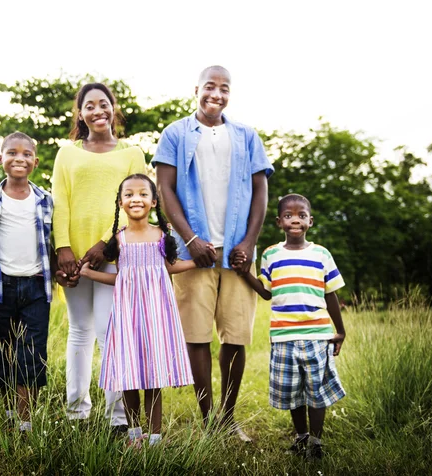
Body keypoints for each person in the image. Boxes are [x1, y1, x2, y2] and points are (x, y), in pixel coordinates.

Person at [152, 65, 274, 441]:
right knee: (197, 335)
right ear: (196, 89)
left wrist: (248, 243)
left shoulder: (246, 136)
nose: (216, 94)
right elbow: (165, 190)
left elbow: (260, 193)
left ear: (229, 93)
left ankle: (228, 417)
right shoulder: (176, 133)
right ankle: (208, 421)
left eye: (224, 88)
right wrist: (190, 240)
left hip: (236, 253)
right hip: (195, 253)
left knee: (235, 335)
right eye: (210, 87)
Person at [76, 173, 199, 447]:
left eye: (143, 194)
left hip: (157, 315)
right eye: (129, 194)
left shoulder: (160, 235)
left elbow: (169, 266)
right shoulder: (118, 240)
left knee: (153, 377)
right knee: (129, 375)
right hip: (127, 316)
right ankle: (134, 436)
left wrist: (195, 264)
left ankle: (154, 438)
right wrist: (88, 273)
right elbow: (121, 276)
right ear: (120, 202)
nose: (136, 199)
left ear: (154, 201)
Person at [51, 83, 146, 432]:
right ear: (80, 114)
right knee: (79, 330)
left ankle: (118, 417)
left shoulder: (132, 153)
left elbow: (136, 201)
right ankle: (77, 411)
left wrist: (106, 244)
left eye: (103, 104)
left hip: (114, 255)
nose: (97, 110)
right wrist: (64, 250)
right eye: (89, 106)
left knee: (110, 331)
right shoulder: (67, 154)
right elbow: (60, 202)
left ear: (113, 108)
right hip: (73, 256)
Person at [232, 193, 346, 460]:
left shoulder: (321, 254)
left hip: (318, 335)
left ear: (310, 221)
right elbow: (266, 292)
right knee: (294, 393)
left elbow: (331, 294)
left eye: (302, 215)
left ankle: (316, 442)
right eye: (289, 215)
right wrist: (244, 273)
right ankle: (301, 436)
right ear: (279, 222)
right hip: (283, 336)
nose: (296, 220)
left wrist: (339, 330)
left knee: (316, 392)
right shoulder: (271, 254)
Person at [0, 131, 53, 434]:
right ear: (0, 159)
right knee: (0, 350)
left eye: (27, 154)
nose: (20, 158)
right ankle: (8, 411)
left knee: (32, 354)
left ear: (35, 161)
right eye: (12, 153)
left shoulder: (45, 200)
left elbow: (50, 245)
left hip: (35, 287)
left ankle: (25, 422)